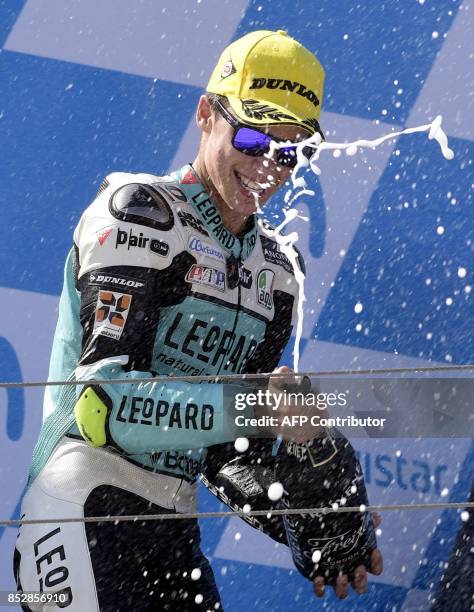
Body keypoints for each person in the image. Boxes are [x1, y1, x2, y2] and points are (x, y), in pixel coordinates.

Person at [13, 29, 382, 611]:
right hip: (79, 501)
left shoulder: (278, 274)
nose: (267, 166)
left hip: (172, 528)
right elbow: (102, 405)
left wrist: (303, 506)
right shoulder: (139, 214)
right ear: (207, 113)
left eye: (289, 151)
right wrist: (252, 405)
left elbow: (225, 454)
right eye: (255, 138)